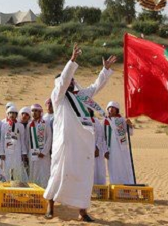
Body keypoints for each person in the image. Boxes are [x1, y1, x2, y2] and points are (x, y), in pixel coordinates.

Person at [44, 45, 116, 222]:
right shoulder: (58, 96)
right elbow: (63, 80)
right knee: (58, 173)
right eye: (67, 79)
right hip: (65, 142)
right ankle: (50, 207)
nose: (70, 81)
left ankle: (82, 211)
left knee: (84, 176)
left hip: (83, 143)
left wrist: (105, 71)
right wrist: (72, 60)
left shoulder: (81, 95)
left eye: (72, 80)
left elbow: (96, 87)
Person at [104, 101, 135, 185]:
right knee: (113, 168)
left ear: (117, 110)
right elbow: (103, 137)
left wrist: (130, 125)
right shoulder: (105, 121)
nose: (111, 110)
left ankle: (127, 184)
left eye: (113, 108)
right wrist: (105, 150)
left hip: (122, 149)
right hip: (110, 150)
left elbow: (130, 133)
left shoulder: (122, 120)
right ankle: (115, 185)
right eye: (109, 108)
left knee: (124, 166)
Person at [28, 103, 52, 188]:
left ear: (40, 112)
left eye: (36, 111)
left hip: (43, 155)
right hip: (32, 154)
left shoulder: (45, 123)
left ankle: (44, 193)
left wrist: (44, 152)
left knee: (44, 173)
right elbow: (27, 140)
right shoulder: (29, 124)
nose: (34, 113)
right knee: (34, 173)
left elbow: (49, 138)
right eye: (33, 111)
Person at [0, 106, 27, 181]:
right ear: (7, 115)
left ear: (16, 115)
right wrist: (2, 152)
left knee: (16, 167)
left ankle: (17, 184)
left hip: (17, 151)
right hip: (7, 150)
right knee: (7, 167)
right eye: (10, 113)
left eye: (13, 113)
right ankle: (7, 183)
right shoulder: (4, 125)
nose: (12, 115)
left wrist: (23, 153)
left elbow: (22, 140)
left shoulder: (20, 125)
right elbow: (2, 139)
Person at [93, 111, 108, 185]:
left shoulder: (96, 121)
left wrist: (97, 147)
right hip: (85, 150)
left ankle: (100, 191)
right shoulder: (81, 120)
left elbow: (100, 135)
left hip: (96, 150)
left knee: (99, 170)